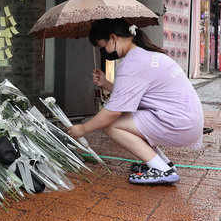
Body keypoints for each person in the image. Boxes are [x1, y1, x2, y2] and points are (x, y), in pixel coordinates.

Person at [68, 18, 204, 185]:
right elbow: (132, 93)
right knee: (128, 120)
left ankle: (161, 170)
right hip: (186, 119)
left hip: (179, 122)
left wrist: (82, 129)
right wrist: (105, 83)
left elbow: (113, 111)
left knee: (111, 124)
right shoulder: (143, 55)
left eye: (102, 47)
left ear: (113, 38)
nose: (103, 52)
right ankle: (163, 164)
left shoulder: (131, 63)